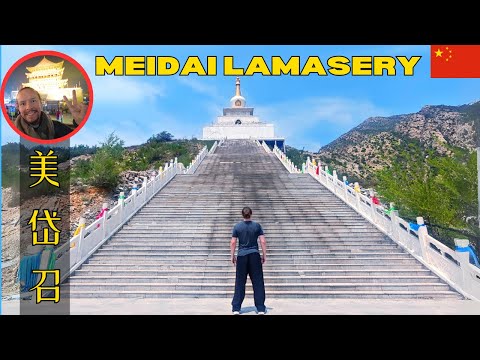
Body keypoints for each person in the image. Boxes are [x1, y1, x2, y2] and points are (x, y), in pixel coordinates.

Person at [230, 206, 267, 315]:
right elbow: (263, 241)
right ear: (251, 214)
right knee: (258, 282)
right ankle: (260, 308)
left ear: (242, 215)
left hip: (241, 256)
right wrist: (264, 255)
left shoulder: (237, 226)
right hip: (254, 255)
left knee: (240, 282)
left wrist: (232, 256)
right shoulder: (257, 226)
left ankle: (236, 308)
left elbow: (233, 242)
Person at [14, 87, 86, 140]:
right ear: (18, 107)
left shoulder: (59, 129)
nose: (28, 107)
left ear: (41, 103)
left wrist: (81, 123)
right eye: (23, 103)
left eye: (33, 101)